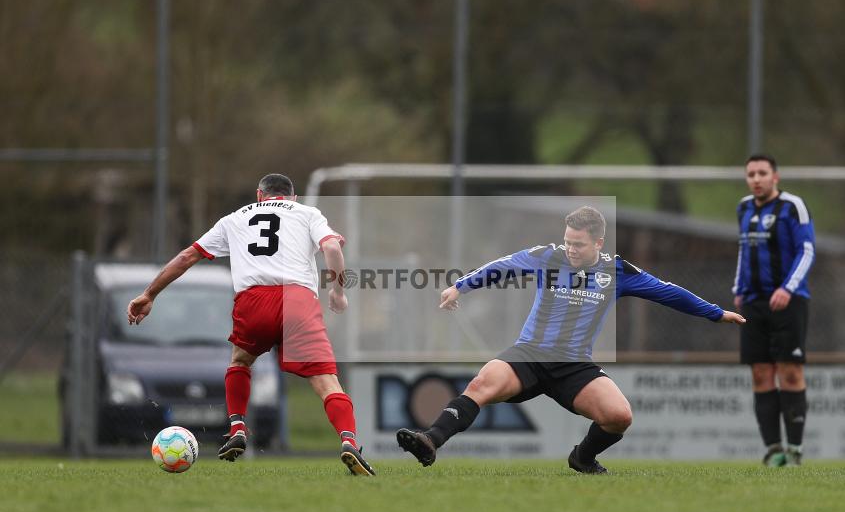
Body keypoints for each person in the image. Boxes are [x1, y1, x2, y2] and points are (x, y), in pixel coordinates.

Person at [396, 206, 745, 473]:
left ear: (598, 243)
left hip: (573, 365)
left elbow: (668, 292)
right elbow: (503, 266)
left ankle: (582, 458)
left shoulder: (617, 271)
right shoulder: (548, 257)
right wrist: (460, 286)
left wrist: (715, 313)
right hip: (530, 354)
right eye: (568, 242)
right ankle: (430, 440)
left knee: (619, 416)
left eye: (578, 244)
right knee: (481, 383)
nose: (571, 249)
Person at [127, 173, 374, 476]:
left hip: (252, 301)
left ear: (259, 195)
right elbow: (333, 248)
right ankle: (348, 441)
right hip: (297, 300)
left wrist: (149, 294)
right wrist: (338, 291)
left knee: (241, 361)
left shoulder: (234, 219)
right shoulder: (307, 213)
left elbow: (187, 256)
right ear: (293, 198)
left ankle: (237, 428)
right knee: (326, 381)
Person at [733, 154, 815, 467]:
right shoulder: (743, 207)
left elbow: (806, 250)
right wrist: (738, 289)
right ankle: (773, 449)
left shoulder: (792, 206)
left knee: (790, 372)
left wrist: (787, 288)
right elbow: (743, 250)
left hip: (788, 301)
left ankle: (795, 449)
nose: (756, 179)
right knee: (760, 373)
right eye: (751, 174)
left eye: (762, 173)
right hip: (752, 302)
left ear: (775, 177)